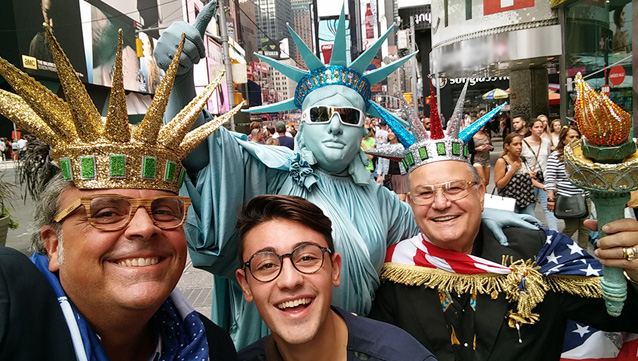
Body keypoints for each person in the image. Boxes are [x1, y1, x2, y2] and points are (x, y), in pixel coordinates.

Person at [153, 1, 533, 348]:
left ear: (362, 130)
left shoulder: (383, 202)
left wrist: (481, 213)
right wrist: (181, 77)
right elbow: (199, 151)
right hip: (271, 346)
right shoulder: (266, 174)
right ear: (301, 127)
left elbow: (436, 229)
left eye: (348, 116)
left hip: (353, 348)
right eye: (320, 115)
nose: (334, 126)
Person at [0, 24, 239, 360]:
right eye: (106, 213)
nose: (145, 228)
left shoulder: (213, 346)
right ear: (54, 246)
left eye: (163, 210)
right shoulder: (9, 302)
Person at [368, 108, 638, 360]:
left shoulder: (540, 254)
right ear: (411, 203)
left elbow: (626, 315)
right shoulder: (396, 273)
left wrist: (635, 272)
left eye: (454, 188)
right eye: (425, 193)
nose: (440, 203)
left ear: (480, 194)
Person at [235, 195, 436, 361]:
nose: (290, 280)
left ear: (335, 269)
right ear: (246, 285)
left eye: (306, 258)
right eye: (267, 265)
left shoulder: (403, 356)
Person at [546, 125, 590, 250]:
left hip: (584, 196)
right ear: (564, 139)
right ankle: (555, 247)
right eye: (571, 137)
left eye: (577, 136)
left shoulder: (584, 155)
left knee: (584, 228)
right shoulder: (555, 156)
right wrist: (550, 198)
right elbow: (549, 178)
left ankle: (583, 253)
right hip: (567, 197)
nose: (575, 139)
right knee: (571, 227)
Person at [522, 118, 557, 230]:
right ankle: (536, 232)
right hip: (530, 179)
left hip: (545, 178)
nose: (540, 129)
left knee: (549, 207)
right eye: (536, 127)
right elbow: (519, 161)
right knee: (530, 208)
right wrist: (526, 171)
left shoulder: (546, 142)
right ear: (530, 129)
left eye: (541, 127)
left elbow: (549, 159)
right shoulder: (523, 143)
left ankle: (554, 233)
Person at [494, 133, 538, 216]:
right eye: (515, 144)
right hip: (510, 202)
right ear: (507, 146)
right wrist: (511, 171)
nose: (519, 147)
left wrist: (543, 187)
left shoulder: (522, 159)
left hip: (527, 200)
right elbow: (499, 185)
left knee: (533, 225)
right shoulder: (502, 161)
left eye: (520, 144)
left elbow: (528, 179)